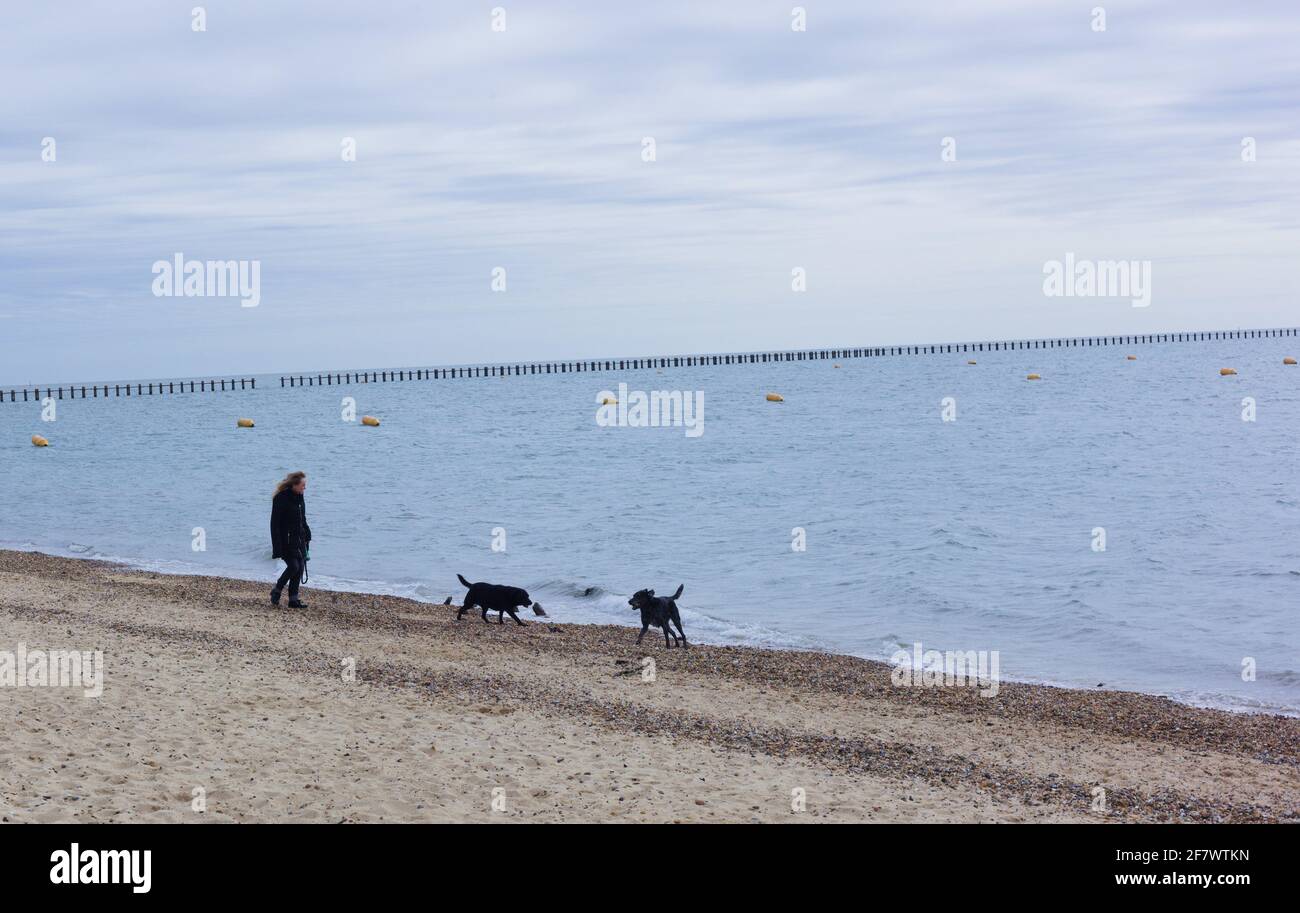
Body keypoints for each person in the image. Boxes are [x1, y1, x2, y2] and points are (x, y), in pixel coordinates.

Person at [270, 471, 312, 608]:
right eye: (302, 485)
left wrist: (307, 532)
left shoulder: (300, 497)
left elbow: (302, 517)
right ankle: (277, 590)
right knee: (294, 566)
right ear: (294, 485)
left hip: (299, 538)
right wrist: (277, 547)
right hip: (285, 540)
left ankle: (293, 600)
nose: (304, 488)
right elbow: (274, 524)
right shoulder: (281, 498)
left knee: (299, 567)